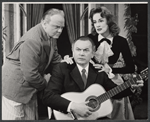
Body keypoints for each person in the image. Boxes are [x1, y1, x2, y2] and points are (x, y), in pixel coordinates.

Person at [41, 36, 143, 120]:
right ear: (72, 50)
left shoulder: (99, 71)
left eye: (86, 50)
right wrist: (74, 106)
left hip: (92, 117)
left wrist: (132, 86)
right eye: (78, 49)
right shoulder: (62, 68)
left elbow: (115, 92)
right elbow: (48, 96)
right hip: (66, 116)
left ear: (93, 53)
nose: (81, 53)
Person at [2, 8, 72, 120]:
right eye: (56, 27)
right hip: (15, 88)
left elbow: (55, 57)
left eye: (62, 27)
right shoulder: (33, 40)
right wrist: (46, 82)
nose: (60, 31)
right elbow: (30, 75)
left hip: (29, 88)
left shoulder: (51, 35)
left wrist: (68, 63)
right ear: (44, 23)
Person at [87, 6, 137, 120]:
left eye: (101, 21)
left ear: (108, 21)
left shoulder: (121, 41)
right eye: (94, 22)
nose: (97, 25)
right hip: (94, 81)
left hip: (114, 81)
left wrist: (110, 69)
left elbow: (130, 67)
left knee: (116, 113)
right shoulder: (89, 38)